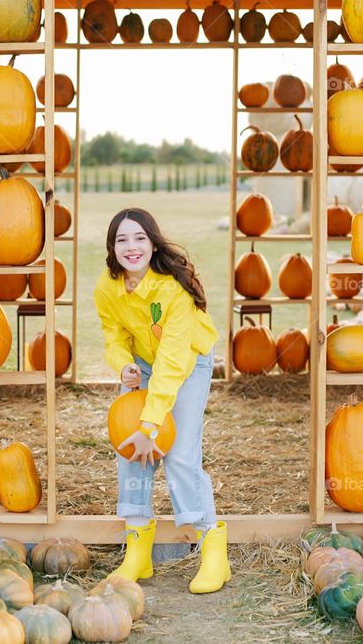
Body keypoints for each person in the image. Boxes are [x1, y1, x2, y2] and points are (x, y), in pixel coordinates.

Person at [92, 207, 229, 594]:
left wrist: (151, 425)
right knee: (130, 449)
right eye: (122, 239)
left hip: (186, 361)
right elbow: (112, 336)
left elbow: (172, 362)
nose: (131, 247)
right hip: (142, 362)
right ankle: (138, 553)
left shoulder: (173, 290)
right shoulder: (107, 287)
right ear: (112, 248)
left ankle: (213, 549)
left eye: (139, 238)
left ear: (152, 244)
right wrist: (123, 367)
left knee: (179, 453)